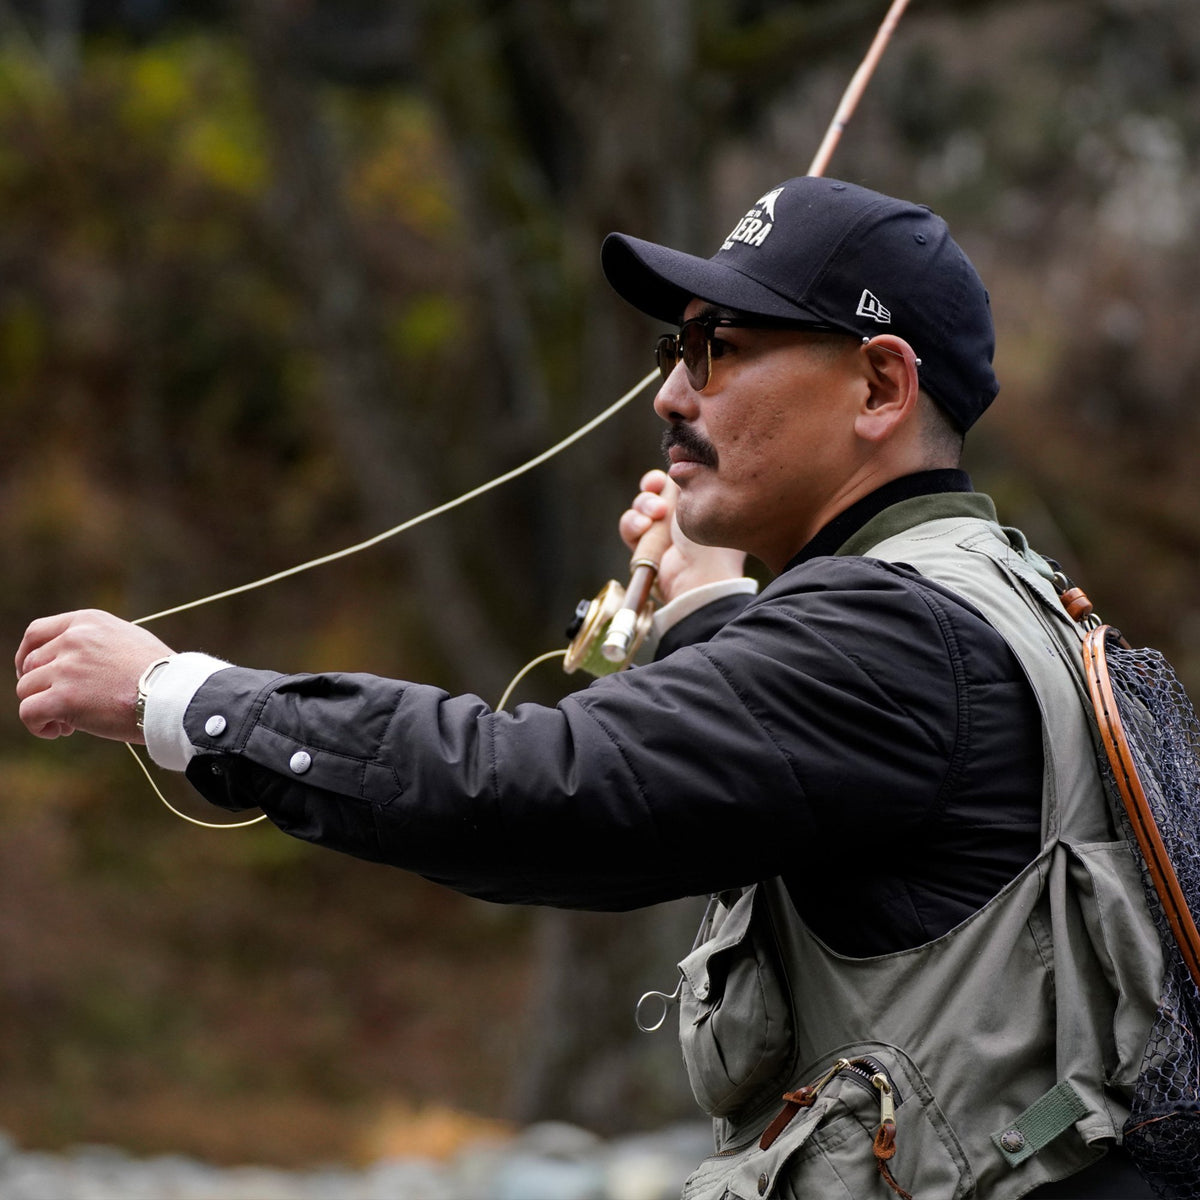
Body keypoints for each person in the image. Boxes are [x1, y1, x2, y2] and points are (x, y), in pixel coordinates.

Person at [15, 176, 1162, 1197]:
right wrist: (710, 606)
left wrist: (182, 697)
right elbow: (800, 761)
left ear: (877, 385)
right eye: (676, 348)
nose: (670, 393)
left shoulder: (891, 638)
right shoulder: (992, 598)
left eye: (720, 348)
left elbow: (534, 789)